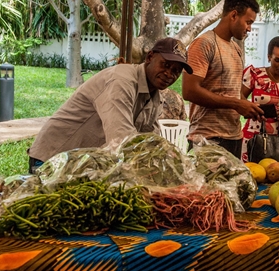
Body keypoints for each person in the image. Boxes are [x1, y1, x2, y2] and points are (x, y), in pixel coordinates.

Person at [27, 37, 193, 173]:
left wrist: (174, 164)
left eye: (176, 71)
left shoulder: (155, 96)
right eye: (165, 65)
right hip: (52, 159)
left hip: (81, 166)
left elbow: (151, 141)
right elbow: (121, 138)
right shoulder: (121, 81)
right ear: (149, 57)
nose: (169, 74)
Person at [182, 0, 264, 158]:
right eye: (248, 22)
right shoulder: (204, 43)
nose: (249, 28)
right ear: (234, 15)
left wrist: (247, 106)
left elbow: (233, 91)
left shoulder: (236, 49)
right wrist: (236, 104)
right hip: (207, 138)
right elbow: (189, 91)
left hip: (234, 136)